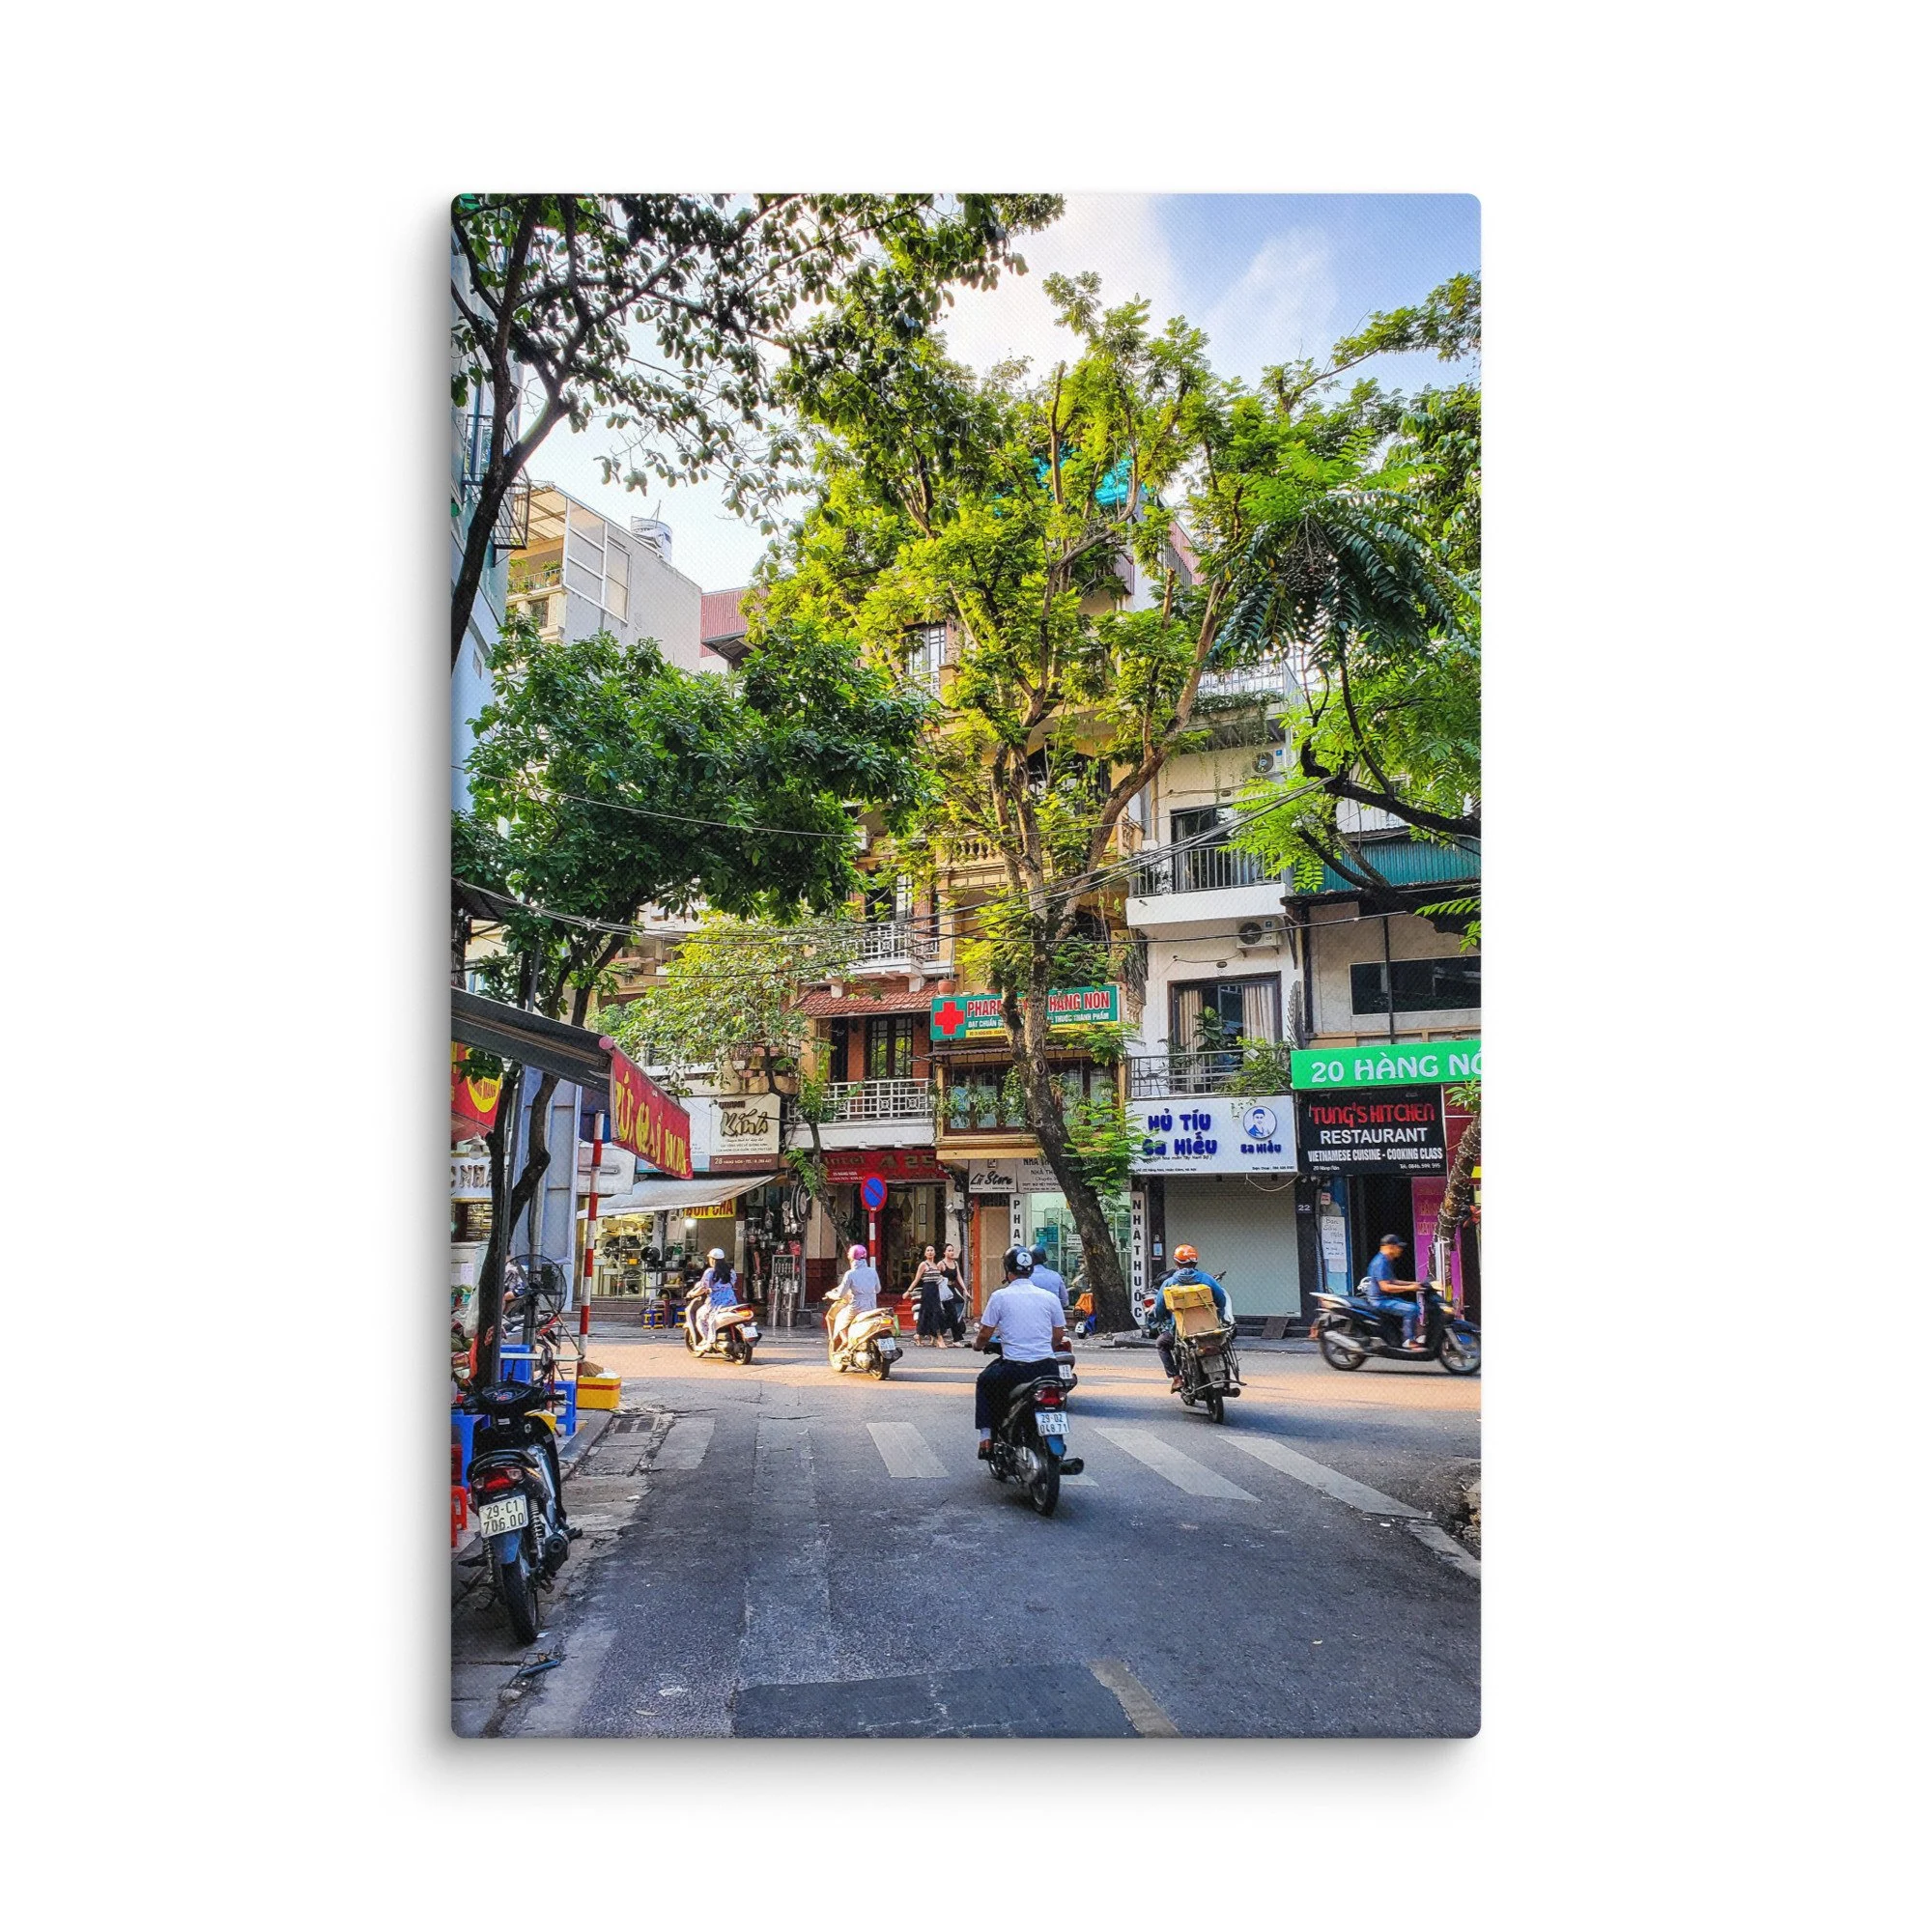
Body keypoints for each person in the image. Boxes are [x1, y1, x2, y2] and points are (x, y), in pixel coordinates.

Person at [971, 1247, 1068, 1460]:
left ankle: (986, 1437)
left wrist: (977, 1345)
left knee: (984, 1381)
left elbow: (985, 1333)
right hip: (1048, 1369)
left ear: (1008, 1270)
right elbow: (1059, 1334)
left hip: (1015, 1369)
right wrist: (1045, 1347)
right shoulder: (1049, 1298)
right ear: (1031, 1269)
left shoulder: (1000, 1296)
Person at [1145, 1244, 1231, 1390]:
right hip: (1209, 1329)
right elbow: (1221, 1300)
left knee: (1161, 1344)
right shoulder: (1207, 1279)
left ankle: (1176, 1378)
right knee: (1222, 1346)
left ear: (1176, 1263)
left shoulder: (1169, 1283)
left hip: (1180, 1332)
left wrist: (1160, 1319)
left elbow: (1160, 1309)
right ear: (1195, 1262)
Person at [1362, 1233, 1427, 1350]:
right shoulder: (1380, 1262)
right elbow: (1386, 1287)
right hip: (1380, 1301)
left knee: (1412, 1306)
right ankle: (1408, 1340)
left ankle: (1416, 1335)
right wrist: (1409, 1288)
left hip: (1386, 1298)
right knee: (1412, 1309)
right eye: (1398, 1247)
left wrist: (1413, 1283)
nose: (1400, 1250)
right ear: (1390, 1247)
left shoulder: (1385, 1260)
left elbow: (1393, 1281)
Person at [830, 1242, 881, 1349]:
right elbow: (878, 1289)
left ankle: (845, 1340)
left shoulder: (850, 1273)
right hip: (872, 1305)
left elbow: (840, 1295)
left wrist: (830, 1295)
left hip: (857, 1306)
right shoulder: (872, 1271)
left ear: (851, 1257)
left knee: (839, 1318)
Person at [907, 1244, 952, 1348]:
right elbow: (916, 1279)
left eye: (932, 1250)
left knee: (930, 1314)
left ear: (935, 1253)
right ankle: (939, 1337)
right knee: (932, 1313)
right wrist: (908, 1291)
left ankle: (919, 1335)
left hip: (936, 1291)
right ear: (925, 1253)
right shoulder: (923, 1264)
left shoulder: (936, 1265)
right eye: (928, 1250)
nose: (930, 1252)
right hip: (927, 1291)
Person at [696, 1247, 740, 1348]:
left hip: (716, 1302)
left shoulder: (710, 1272)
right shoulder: (731, 1271)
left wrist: (693, 1294)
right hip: (731, 1300)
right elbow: (733, 1283)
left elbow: (703, 1287)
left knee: (700, 1316)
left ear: (712, 1259)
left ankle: (708, 1340)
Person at [1028, 1244, 1069, 1316]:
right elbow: (1064, 1301)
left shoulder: (1026, 1277)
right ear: (1045, 1260)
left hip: (1030, 1316)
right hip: (1052, 1318)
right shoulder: (1055, 1276)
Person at [939, 1243, 968, 1341]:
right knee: (951, 1312)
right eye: (949, 1250)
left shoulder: (955, 1263)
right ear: (944, 1252)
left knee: (960, 1301)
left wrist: (965, 1290)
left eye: (952, 1250)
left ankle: (950, 1324)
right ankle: (957, 1337)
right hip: (944, 1290)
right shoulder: (941, 1264)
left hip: (952, 1287)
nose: (951, 1252)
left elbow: (959, 1277)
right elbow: (936, 1279)